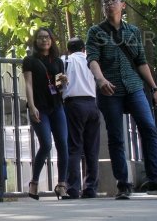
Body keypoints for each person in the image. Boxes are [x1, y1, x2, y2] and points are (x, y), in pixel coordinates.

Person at [86, 0, 157, 200]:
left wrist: (155, 88)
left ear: (123, 5)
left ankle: (156, 181)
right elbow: (92, 59)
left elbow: (141, 61)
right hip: (109, 90)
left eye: (113, 0)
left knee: (148, 128)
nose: (109, 3)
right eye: (105, 1)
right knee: (116, 137)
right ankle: (123, 185)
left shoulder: (133, 32)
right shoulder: (95, 32)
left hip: (134, 87)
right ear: (103, 8)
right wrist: (100, 79)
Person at [22, 27, 69, 200]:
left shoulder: (57, 61)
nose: (44, 40)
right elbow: (28, 84)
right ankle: (34, 182)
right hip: (39, 107)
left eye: (47, 37)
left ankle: (62, 184)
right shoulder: (29, 61)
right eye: (41, 37)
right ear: (36, 41)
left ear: (52, 40)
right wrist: (32, 106)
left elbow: (56, 85)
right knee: (47, 145)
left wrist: (63, 81)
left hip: (56, 106)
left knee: (63, 144)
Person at [60, 38, 100, 199]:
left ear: (68, 49)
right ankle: (91, 188)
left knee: (74, 146)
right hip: (92, 103)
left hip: (73, 104)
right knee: (92, 148)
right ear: (84, 49)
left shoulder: (65, 61)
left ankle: (73, 188)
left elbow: (58, 83)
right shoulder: (92, 61)